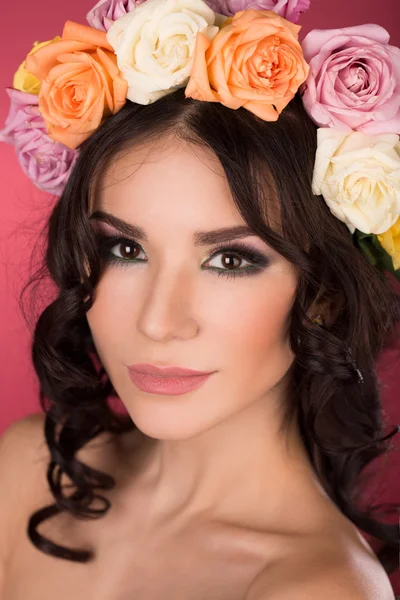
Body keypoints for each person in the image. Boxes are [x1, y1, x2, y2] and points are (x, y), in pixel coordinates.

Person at [0, 1, 399, 598]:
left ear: (324, 297)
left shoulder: (316, 589)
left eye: (230, 260)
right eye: (125, 250)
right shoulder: (26, 469)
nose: (158, 322)